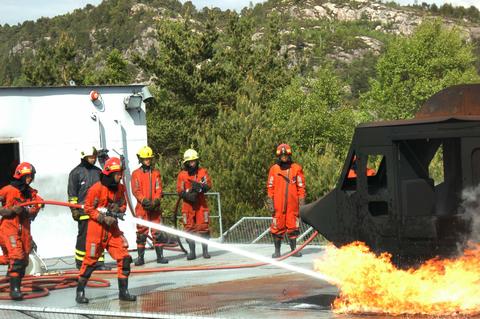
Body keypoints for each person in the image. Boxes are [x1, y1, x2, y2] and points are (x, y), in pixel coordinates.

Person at [76, 157, 136, 303]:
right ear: (109, 173)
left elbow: (123, 206)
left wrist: (118, 208)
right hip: (96, 230)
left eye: (120, 173)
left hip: (113, 230)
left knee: (125, 258)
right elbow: (88, 208)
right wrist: (102, 218)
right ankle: (80, 292)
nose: (120, 176)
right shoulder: (96, 189)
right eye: (117, 174)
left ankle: (123, 292)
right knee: (90, 261)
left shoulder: (120, 188)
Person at [0, 162, 43, 300]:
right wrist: (11, 210)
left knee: (22, 260)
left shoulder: (31, 193)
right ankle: (15, 290)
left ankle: (9, 279)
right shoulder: (8, 190)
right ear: (20, 175)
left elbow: (38, 205)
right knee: (17, 257)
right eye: (27, 176)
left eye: (31, 176)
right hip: (9, 227)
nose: (29, 179)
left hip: (24, 229)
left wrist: (28, 211)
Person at [68, 147, 110, 270]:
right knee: (83, 237)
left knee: (99, 237)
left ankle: (99, 262)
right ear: (84, 157)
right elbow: (72, 194)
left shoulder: (98, 172)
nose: (93, 159)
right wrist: (73, 210)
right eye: (91, 157)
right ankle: (80, 262)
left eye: (94, 157)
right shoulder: (75, 173)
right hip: (83, 211)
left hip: (98, 211)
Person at [267, 144, 306, 258]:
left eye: (286, 155)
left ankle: (293, 251)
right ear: (278, 156)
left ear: (289, 155)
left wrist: (301, 205)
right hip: (278, 206)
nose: (284, 157)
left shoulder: (296, 168)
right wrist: (270, 203)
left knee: (293, 227)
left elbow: (301, 188)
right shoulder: (274, 169)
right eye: (282, 155)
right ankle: (277, 251)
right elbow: (270, 187)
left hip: (292, 206)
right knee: (277, 227)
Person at [131, 146, 168, 266]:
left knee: (157, 232)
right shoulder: (136, 174)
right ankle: (140, 258)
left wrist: (156, 201)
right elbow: (136, 190)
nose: (147, 160)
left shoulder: (156, 173)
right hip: (142, 208)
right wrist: (144, 201)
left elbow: (159, 188)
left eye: (149, 158)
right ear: (140, 159)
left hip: (155, 208)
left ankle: (160, 257)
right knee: (141, 232)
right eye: (145, 158)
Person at [177, 149, 212, 260]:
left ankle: (205, 251)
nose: (192, 163)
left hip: (201, 204)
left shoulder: (203, 172)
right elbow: (180, 190)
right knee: (189, 228)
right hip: (188, 205)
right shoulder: (182, 175)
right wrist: (188, 196)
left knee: (204, 227)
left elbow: (208, 185)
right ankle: (192, 252)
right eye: (190, 161)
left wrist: (201, 188)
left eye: (194, 161)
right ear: (186, 163)